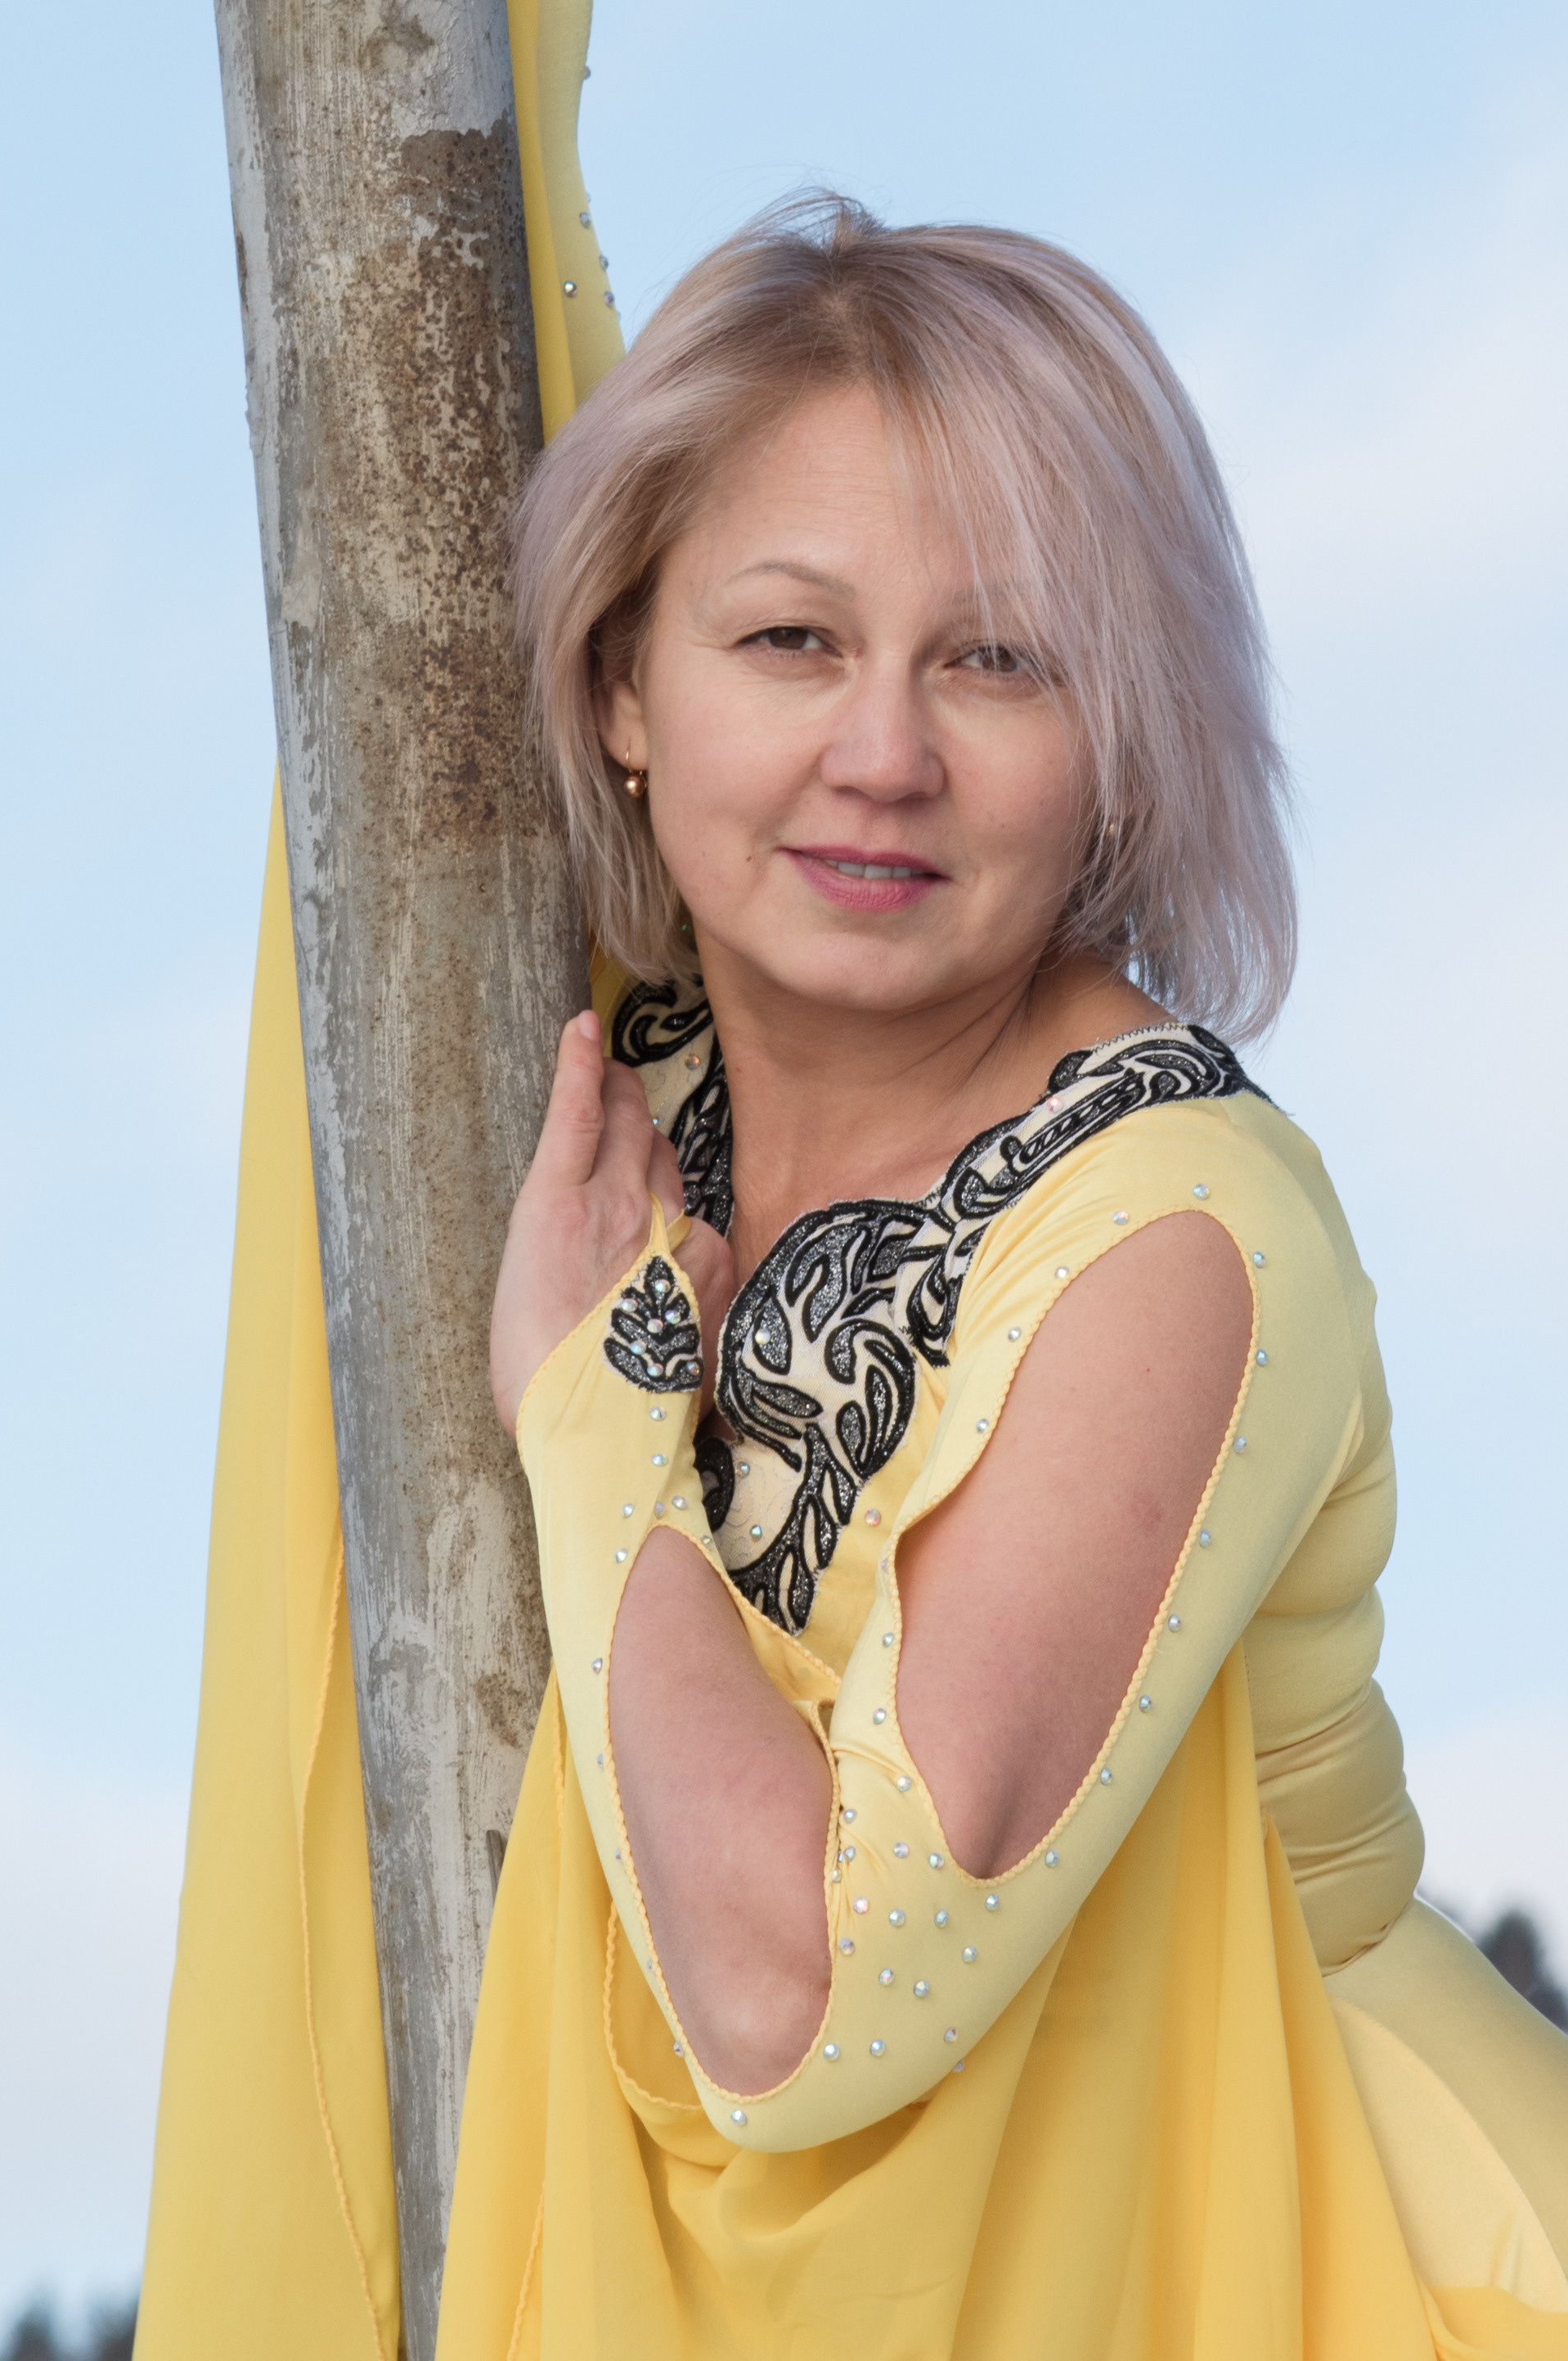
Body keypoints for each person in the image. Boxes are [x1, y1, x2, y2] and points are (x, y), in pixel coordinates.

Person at [438, 197, 1568, 2360]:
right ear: (618, 686)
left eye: (998, 658)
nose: (884, 755)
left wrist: (599, 1410)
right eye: (788, 642)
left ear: (1120, 734)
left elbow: (810, 2003)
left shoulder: (1178, 1242)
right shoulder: (577, 1073)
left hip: (1288, 2251)